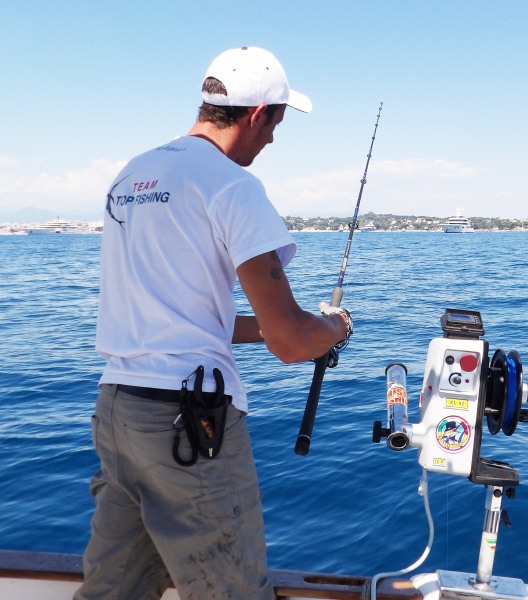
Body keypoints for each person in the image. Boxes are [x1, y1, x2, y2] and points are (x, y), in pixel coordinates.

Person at [76, 46, 352, 600]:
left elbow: (199, 318)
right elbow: (292, 342)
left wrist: (301, 329)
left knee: (114, 590)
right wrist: (333, 328)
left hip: (117, 411)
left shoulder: (134, 174)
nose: (273, 138)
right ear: (256, 114)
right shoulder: (232, 186)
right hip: (187, 426)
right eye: (276, 122)